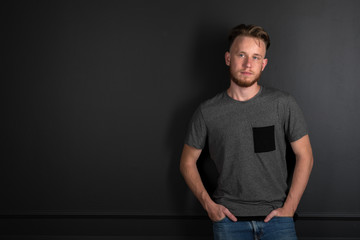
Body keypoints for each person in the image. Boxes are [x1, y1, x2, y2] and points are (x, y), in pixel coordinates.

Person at [179, 24, 314, 240]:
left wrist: (289, 209)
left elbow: (305, 156)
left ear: (264, 64)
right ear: (228, 58)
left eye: (256, 57)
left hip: (277, 221)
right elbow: (187, 162)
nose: (248, 64)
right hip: (229, 223)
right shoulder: (207, 111)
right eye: (241, 54)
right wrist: (209, 206)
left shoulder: (283, 104)